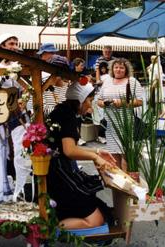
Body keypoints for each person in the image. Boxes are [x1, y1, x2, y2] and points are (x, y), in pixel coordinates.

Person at [47, 81, 116, 229]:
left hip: (57, 172)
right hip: (60, 176)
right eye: (89, 101)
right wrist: (95, 157)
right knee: (96, 221)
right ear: (80, 99)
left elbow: (70, 148)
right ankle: (48, 228)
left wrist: (98, 151)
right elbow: (70, 151)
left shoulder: (63, 110)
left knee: (96, 209)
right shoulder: (67, 115)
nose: (90, 106)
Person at [97, 58, 143, 170]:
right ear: (112, 68)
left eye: (121, 67)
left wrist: (122, 103)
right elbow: (99, 100)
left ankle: (127, 182)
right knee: (113, 155)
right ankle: (118, 184)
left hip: (125, 123)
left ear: (126, 69)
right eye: (116, 67)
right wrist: (105, 104)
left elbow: (140, 101)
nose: (118, 70)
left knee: (126, 154)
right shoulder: (107, 81)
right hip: (111, 124)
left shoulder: (131, 81)